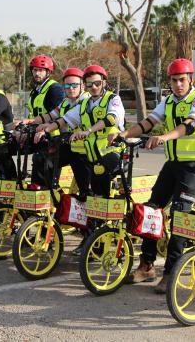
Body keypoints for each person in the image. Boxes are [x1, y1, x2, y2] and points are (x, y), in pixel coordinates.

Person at [121, 58, 195, 294]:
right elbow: (150, 122)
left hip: (194, 166)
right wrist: (124, 134)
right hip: (173, 164)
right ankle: (147, 265)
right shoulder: (168, 100)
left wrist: (164, 137)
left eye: (182, 79)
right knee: (151, 210)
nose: (178, 84)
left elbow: (189, 126)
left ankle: (170, 272)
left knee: (179, 217)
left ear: (190, 79)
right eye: (174, 80)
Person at [46, 64, 125, 255]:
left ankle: (104, 241)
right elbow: (66, 120)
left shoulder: (113, 99)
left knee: (98, 193)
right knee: (90, 198)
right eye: (89, 85)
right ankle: (92, 239)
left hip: (112, 155)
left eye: (97, 83)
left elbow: (111, 119)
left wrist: (88, 130)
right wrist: (43, 129)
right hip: (92, 156)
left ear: (104, 82)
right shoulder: (85, 103)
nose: (94, 87)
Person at [31, 67, 89, 190]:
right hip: (71, 145)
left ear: (82, 86)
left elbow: (63, 121)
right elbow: (51, 115)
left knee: (86, 191)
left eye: (74, 85)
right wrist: (28, 121)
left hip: (86, 150)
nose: (71, 88)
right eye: (67, 86)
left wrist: (46, 129)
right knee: (42, 157)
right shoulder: (65, 102)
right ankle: (46, 191)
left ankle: (54, 191)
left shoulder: (86, 101)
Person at [21, 55, 64, 186]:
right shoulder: (35, 91)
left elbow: (57, 115)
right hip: (37, 133)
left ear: (48, 72)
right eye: (34, 70)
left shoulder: (54, 89)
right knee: (6, 146)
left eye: (40, 70)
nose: (37, 73)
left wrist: (40, 127)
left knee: (42, 164)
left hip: (52, 136)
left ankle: (43, 194)